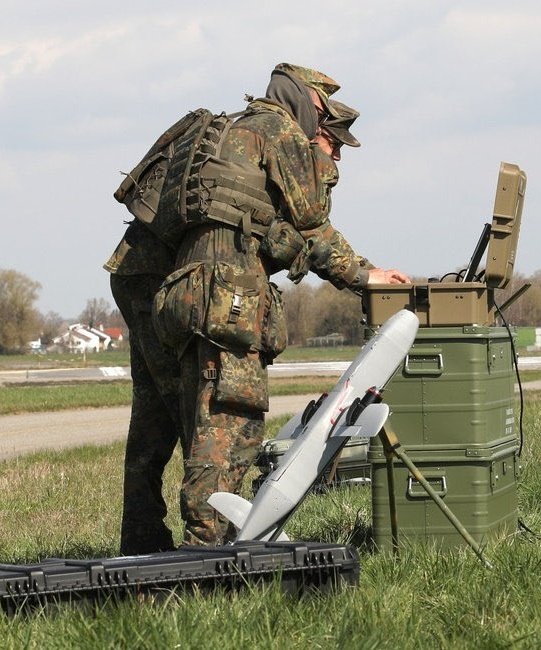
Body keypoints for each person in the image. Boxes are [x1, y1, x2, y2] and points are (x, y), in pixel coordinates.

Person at [157, 63, 408, 545]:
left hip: (191, 291)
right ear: (305, 100)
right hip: (228, 298)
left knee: (207, 419)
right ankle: (204, 550)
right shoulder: (279, 130)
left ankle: (206, 541)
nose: (320, 122)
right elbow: (312, 221)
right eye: (321, 111)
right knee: (230, 427)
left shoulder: (237, 128)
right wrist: (364, 275)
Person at [104, 217, 185, 554]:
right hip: (156, 279)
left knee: (154, 411)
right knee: (190, 409)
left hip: (139, 272)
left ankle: (142, 538)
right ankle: (211, 538)